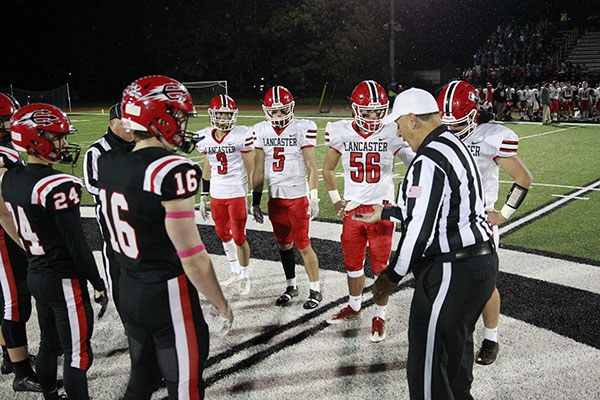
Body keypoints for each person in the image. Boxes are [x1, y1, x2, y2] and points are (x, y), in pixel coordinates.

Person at [354, 88, 498, 400]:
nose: (399, 133)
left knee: (428, 369)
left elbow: (419, 229)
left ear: (413, 120)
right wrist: (389, 211)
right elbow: (438, 207)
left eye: (400, 124)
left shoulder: (429, 159)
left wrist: (391, 276)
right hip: (474, 265)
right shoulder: (451, 145)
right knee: (454, 367)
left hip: (452, 268)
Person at [96, 75, 232, 400]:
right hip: (166, 294)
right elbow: (194, 258)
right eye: (180, 116)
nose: (183, 124)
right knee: (185, 387)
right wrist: (220, 304)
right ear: (161, 118)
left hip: (127, 286)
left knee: (141, 380)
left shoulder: (108, 160)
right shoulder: (171, 169)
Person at [2, 103, 108, 400]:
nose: (63, 143)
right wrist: (98, 283)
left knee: (49, 343)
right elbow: (76, 244)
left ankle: (50, 396)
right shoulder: (59, 184)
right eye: (57, 136)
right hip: (64, 279)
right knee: (77, 355)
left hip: (36, 272)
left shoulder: (10, 178)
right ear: (37, 139)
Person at [438, 80, 533, 366]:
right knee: (448, 281)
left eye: (458, 123)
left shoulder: (491, 137)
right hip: (446, 222)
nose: (452, 129)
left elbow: (523, 178)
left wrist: (504, 214)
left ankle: (491, 337)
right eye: (448, 123)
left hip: (479, 223)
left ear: (475, 113)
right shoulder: (440, 135)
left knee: (484, 284)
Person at [322, 80, 413, 342]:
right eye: (368, 111)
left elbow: (414, 164)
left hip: (381, 208)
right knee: (352, 264)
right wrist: (336, 199)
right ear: (355, 109)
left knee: (381, 267)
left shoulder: (390, 131)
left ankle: (380, 315)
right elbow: (328, 169)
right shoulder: (341, 131)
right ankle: (354, 306)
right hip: (352, 208)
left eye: (378, 112)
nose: (373, 117)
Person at [252, 85, 322, 309]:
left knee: (303, 245)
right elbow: (259, 168)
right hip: (275, 198)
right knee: (284, 245)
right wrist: (255, 200)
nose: (279, 115)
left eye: (283, 111)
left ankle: (315, 290)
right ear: (267, 111)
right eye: (275, 111)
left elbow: (312, 166)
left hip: (297, 196)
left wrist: (313, 196)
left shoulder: (302, 128)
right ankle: (291, 285)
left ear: (291, 108)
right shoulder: (261, 130)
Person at [0, 93, 41, 393]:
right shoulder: (3, 154)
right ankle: (21, 373)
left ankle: (9, 357)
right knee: (15, 302)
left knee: (5, 300)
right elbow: (2, 207)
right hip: (2, 234)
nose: (9, 123)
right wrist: (24, 241)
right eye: (4, 119)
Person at [196, 94, 254, 295]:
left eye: (227, 114)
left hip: (236, 192)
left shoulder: (242, 134)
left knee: (239, 236)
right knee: (222, 233)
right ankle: (234, 270)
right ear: (213, 114)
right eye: (220, 113)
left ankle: (245, 275)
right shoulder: (204, 137)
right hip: (217, 193)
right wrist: (203, 194)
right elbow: (208, 165)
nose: (223, 117)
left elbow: (251, 167)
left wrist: (251, 197)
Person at [82, 102, 134, 317]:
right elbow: (91, 184)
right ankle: (126, 319)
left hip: (139, 218)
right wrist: (127, 191)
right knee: (117, 265)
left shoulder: (140, 144)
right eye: (126, 122)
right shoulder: (97, 150)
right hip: (113, 219)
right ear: (113, 123)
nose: (132, 127)